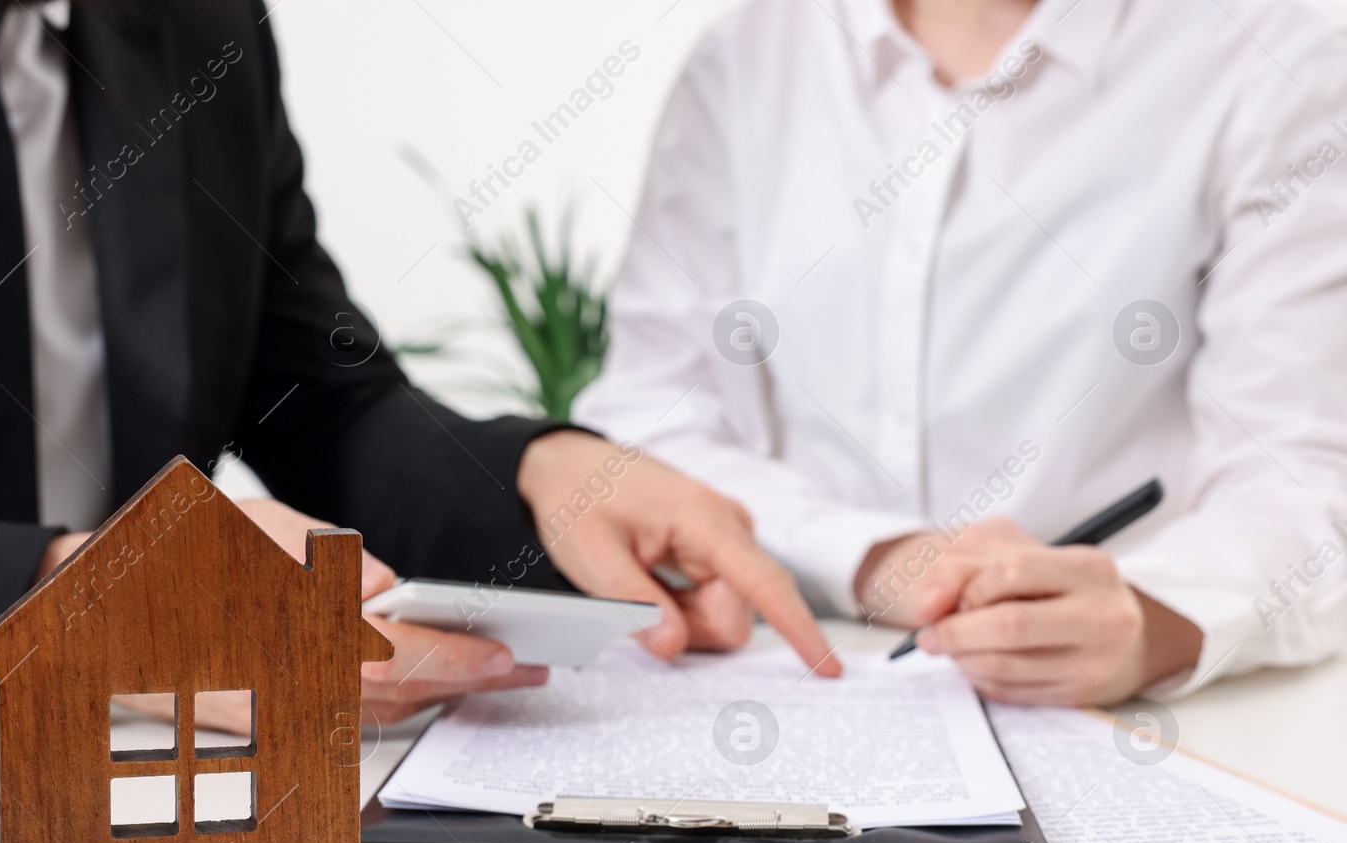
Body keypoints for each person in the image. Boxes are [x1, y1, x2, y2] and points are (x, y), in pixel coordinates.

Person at [0, 0, 840, 731]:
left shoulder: (194, 29)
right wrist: (75, 604)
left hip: (164, 794)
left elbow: (313, 397)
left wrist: (541, 471)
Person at [575, 0, 1347, 706]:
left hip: (1130, 712)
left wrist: (1149, 621)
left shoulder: (1271, 56)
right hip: (787, 679)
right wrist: (878, 559)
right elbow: (650, 421)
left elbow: (1300, 477)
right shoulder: (748, 55)